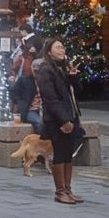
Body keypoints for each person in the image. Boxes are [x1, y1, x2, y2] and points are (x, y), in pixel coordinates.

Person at [35, 37, 85, 204]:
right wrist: (64, 120)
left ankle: (68, 189)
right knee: (60, 153)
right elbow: (50, 99)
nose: (62, 50)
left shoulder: (63, 69)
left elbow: (78, 92)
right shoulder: (46, 70)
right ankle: (60, 191)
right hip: (57, 120)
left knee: (68, 154)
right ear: (49, 51)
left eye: (63, 47)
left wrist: (73, 77)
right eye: (58, 47)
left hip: (72, 116)